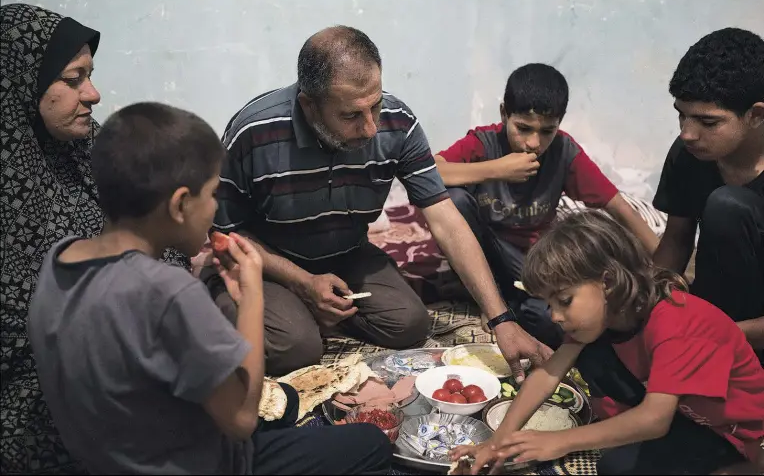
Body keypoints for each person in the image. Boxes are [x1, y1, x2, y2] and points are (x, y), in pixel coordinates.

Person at [27, 102, 393, 475]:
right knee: (370, 443)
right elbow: (241, 419)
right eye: (213, 194)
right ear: (181, 204)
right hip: (204, 464)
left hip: (107, 458)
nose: (215, 208)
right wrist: (251, 299)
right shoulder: (167, 291)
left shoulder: (60, 259)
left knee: (289, 406)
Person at [207, 25, 551, 377]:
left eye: (376, 104)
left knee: (410, 324)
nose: (371, 128)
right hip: (267, 262)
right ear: (309, 105)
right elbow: (225, 233)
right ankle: (270, 307)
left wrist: (501, 318)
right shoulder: (254, 131)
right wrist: (301, 282)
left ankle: (308, 311)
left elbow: (445, 218)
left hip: (346, 253)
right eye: (351, 115)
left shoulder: (397, 123)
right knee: (298, 348)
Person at [0, 4, 192, 474]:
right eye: (72, 79)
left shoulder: (87, 145)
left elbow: (158, 227)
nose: (94, 94)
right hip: (45, 393)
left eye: (90, 75)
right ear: (21, 82)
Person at [450, 210, 764, 475]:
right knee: (588, 352)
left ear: (608, 281)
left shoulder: (677, 320)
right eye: (549, 304)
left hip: (733, 435)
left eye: (564, 300)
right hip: (684, 414)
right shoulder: (607, 316)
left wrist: (559, 441)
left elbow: (655, 419)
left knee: (617, 467)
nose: (555, 316)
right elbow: (548, 374)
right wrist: (498, 441)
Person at [434, 63, 659, 350]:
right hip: (483, 252)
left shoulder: (564, 152)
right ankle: (490, 297)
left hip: (534, 261)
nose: (533, 143)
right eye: (523, 128)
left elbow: (619, 208)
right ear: (504, 114)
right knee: (453, 200)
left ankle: (514, 303)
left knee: (549, 320)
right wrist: (495, 169)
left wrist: (662, 266)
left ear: (560, 124)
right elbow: (430, 172)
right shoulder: (484, 142)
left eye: (547, 131)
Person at [652, 27, 764, 360]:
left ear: (756, 115)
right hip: (716, 312)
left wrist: (712, 336)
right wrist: (645, 298)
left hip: (742, 327)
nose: (687, 133)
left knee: (727, 206)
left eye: (708, 122)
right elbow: (676, 240)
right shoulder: (691, 153)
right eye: (681, 115)